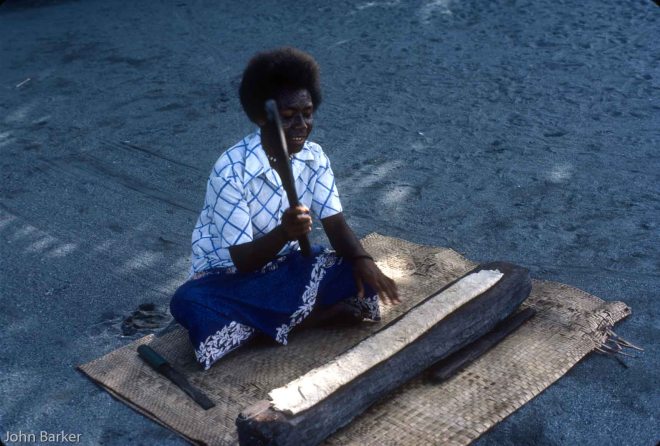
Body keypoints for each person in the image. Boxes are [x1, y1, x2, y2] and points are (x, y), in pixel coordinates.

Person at [170, 47, 400, 370]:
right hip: (229, 278)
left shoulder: (314, 157)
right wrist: (284, 232)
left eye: (307, 113)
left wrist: (364, 261)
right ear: (262, 117)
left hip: (286, 268)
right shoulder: (230, 170)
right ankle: (309, 317)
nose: (301, 125)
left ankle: (275, 323)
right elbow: (243, 261)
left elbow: (335, 226)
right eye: (289, 116)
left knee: (356, 275)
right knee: (188, 303)